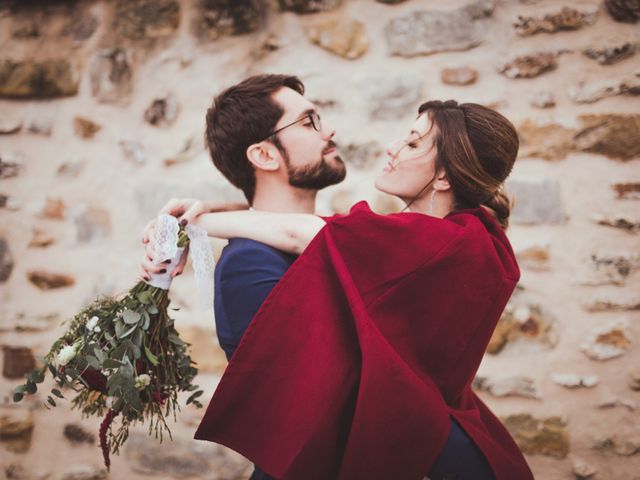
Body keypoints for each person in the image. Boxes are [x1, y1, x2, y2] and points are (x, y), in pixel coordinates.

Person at [142, 98, 534, 478]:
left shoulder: (436, 242)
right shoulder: (456, 238)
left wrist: (192, 226)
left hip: (417, 449)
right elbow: (335, 233)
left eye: (413, 143)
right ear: (262, 154)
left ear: (445, 176)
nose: (393, 148)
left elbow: (314, 234)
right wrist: (219, 212)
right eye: (308, 121)